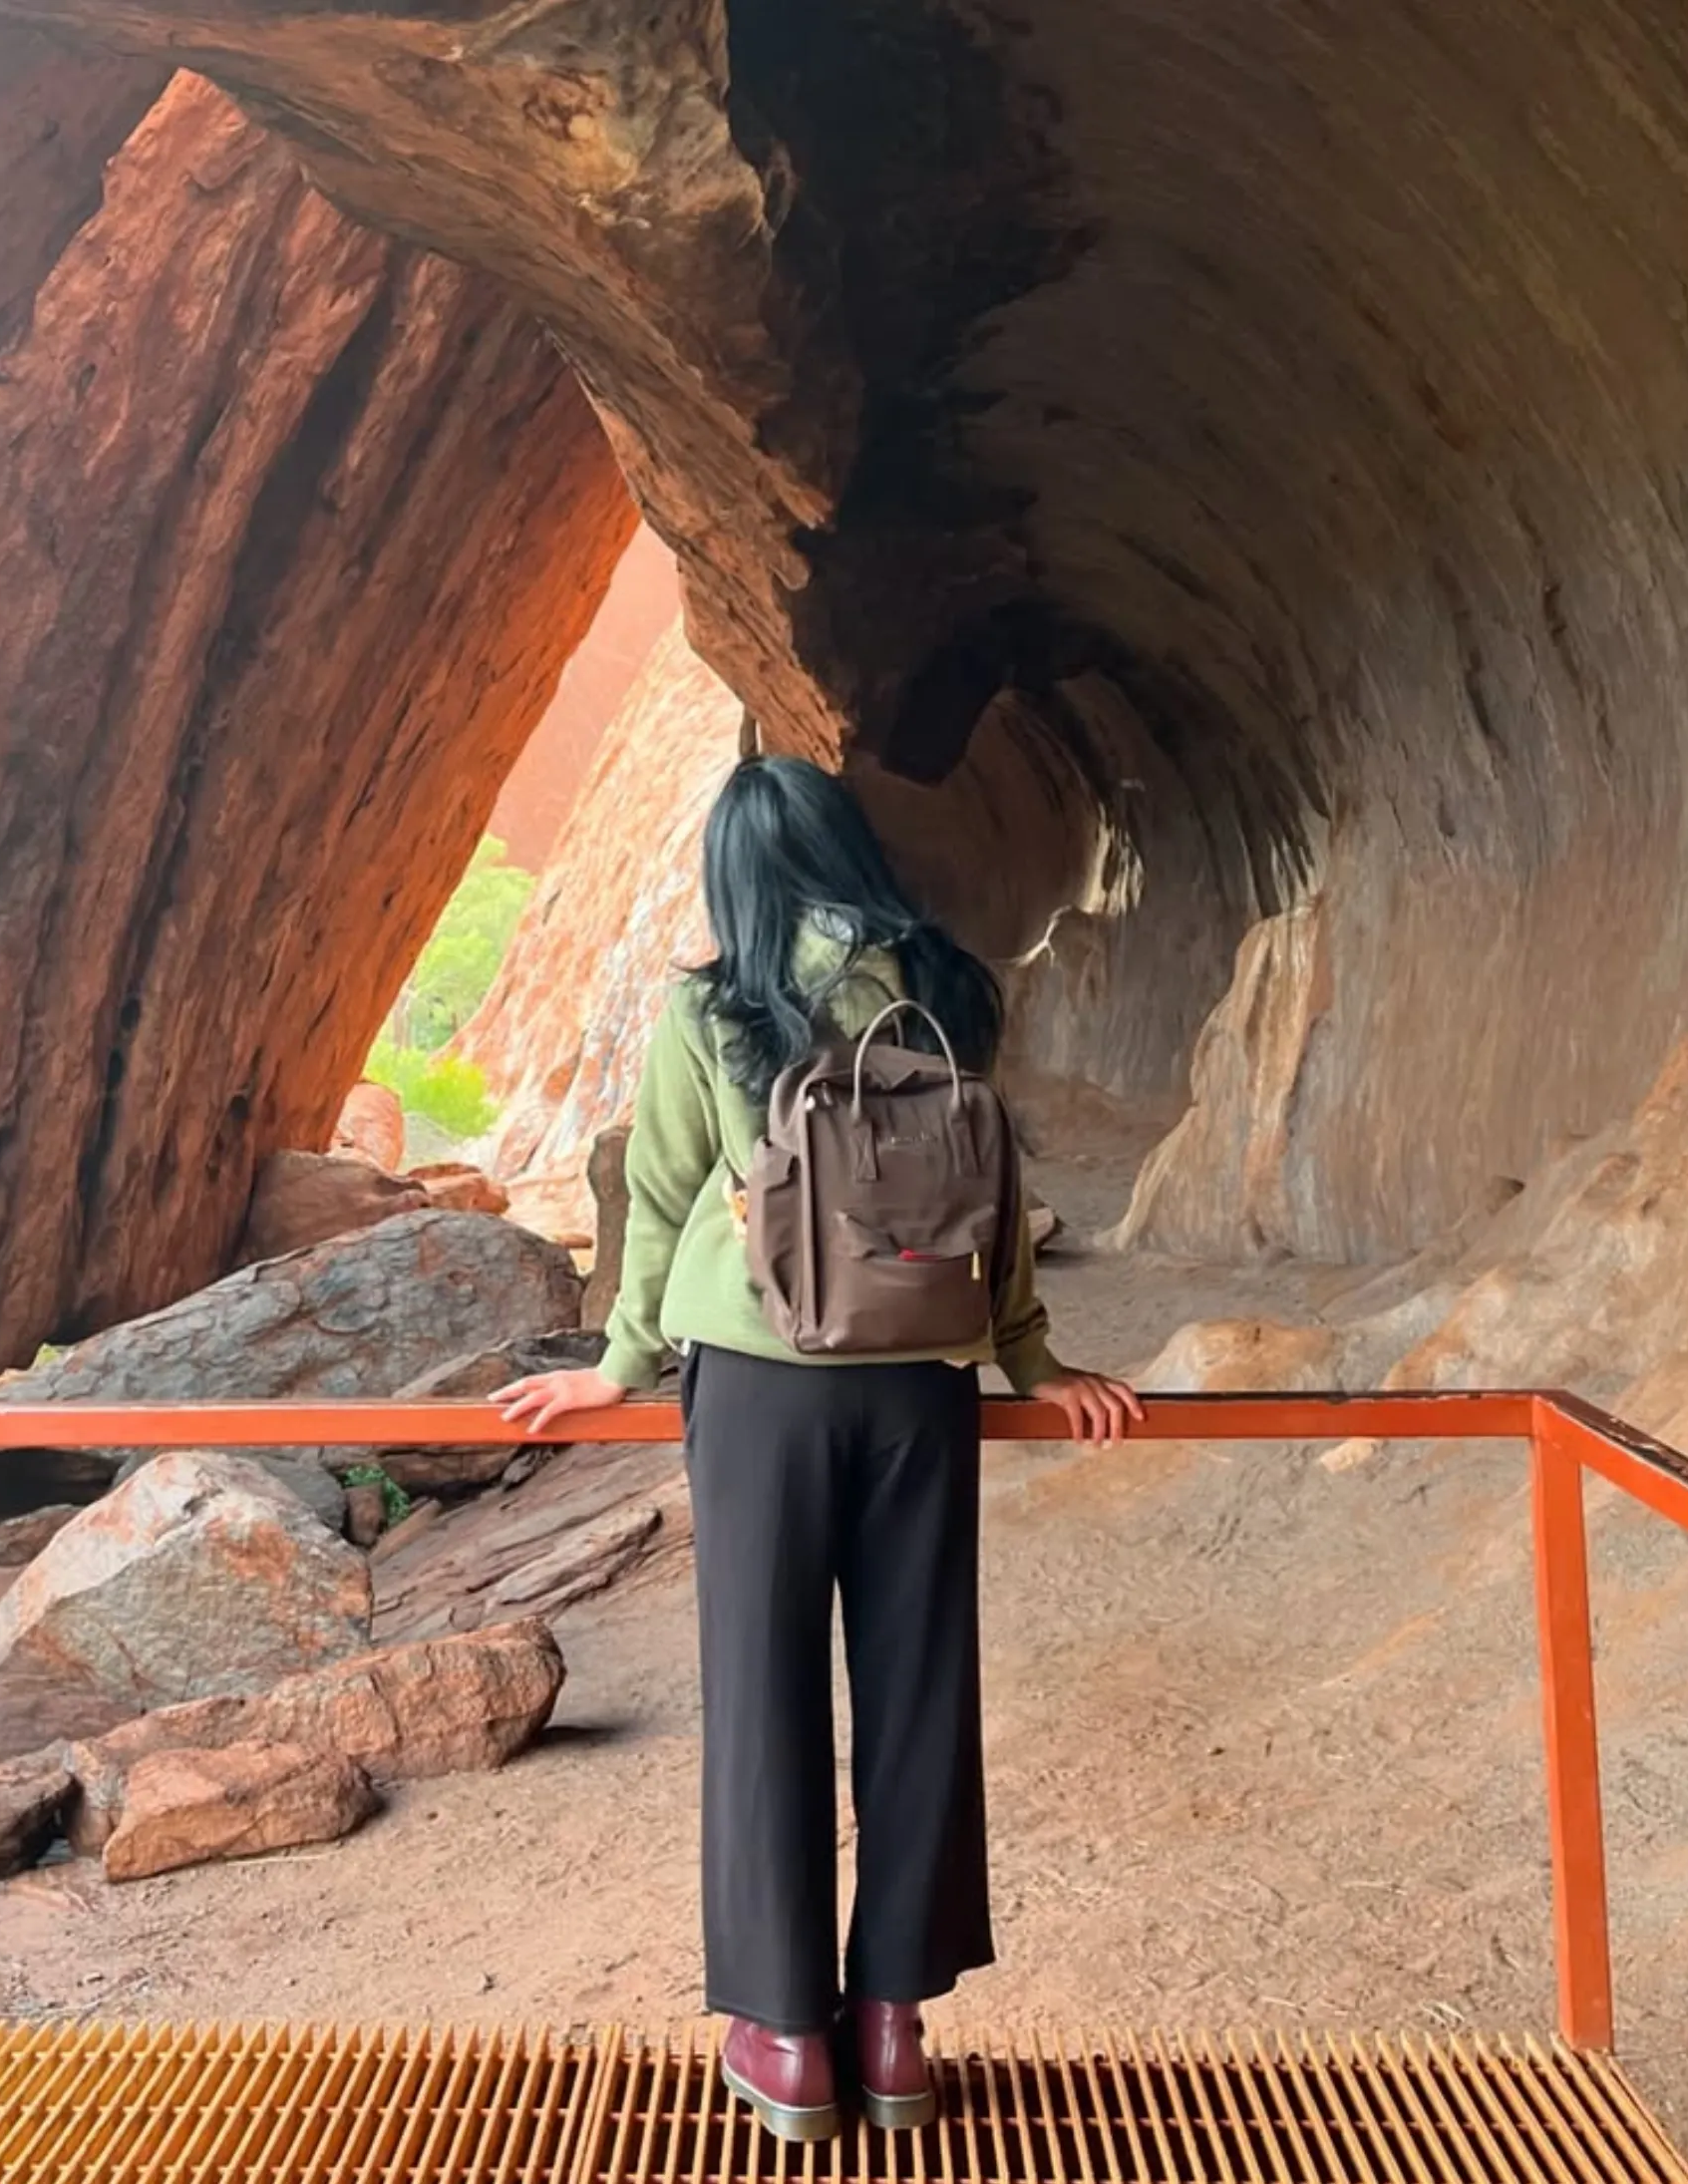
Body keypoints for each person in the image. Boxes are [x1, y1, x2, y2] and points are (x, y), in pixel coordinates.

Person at [495, 755, 1144, 2143]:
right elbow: (999, 1192)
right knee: (917, 1691)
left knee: (764, 1695)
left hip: (764, 1389)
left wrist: (611, 1368)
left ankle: (788, 2036)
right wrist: (1035, 1358)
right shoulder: (946, 987)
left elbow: (660, 1194)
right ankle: (894, 2024)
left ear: (740, 874)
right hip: (921, 1387)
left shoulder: (716, 1009)